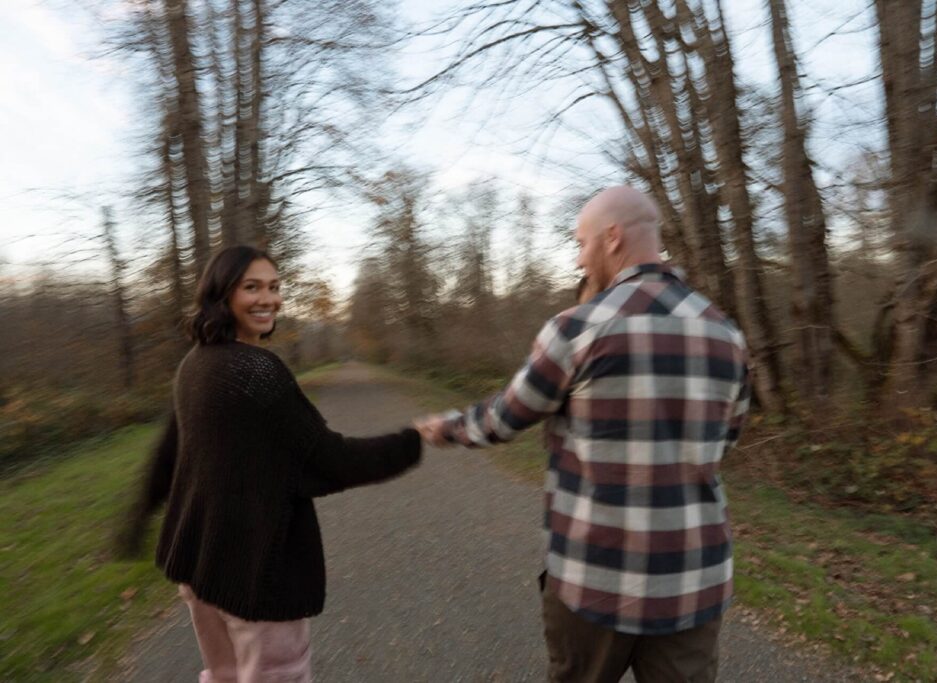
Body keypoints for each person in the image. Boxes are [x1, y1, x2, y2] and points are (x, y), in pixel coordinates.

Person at [416, 186, 750, 682]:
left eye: (581, 242)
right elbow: (725, 439)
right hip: (691, 579)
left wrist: (445, 427)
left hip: (596, 580)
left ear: (612, 238)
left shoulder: (578, 328)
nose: (578, 258)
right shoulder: (726, 333)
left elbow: (505, 417)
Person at [117, 245, 422, 683]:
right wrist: (411, 441)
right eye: (252, 287)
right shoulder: (257, 371)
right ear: (222, 294)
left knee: (223, 675)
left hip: (201, 569)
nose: (269, 299)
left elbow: (170, 452)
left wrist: (139, 516)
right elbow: (330, 459)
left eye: (275, 287)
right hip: (253, 575)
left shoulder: (194, 363)